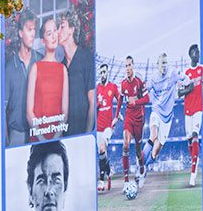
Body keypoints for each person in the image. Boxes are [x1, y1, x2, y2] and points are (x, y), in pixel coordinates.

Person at [25, 17, 68, 140]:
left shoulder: (63, 69)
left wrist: (55, 137)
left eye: (55, 30)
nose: (53, 36)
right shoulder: (35, 68)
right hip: (38, 139)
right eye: (49, 33)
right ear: (43, 40)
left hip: (57, 138)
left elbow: (65, 112)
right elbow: (29, 112)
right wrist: (41, 138)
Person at [3, 15, 36, 147]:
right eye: (29, 29)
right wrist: (7, 141)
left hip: (38, 132)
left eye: (34, 29)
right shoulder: (10, 67)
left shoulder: (40, 60)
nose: (33, 34)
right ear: (21, 33)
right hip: (17, 134)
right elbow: (3, 108)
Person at [63, 18, 96, 138]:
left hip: (83, 133)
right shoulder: (61, 66)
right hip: (66, 135)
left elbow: (93, 101)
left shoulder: (86, 57)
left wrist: (87, 134)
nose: (58, 31)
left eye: (62, 27)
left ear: (72, 29)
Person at [117, 56, 147, 180]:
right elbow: (120, 99)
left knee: (138, 150)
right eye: (126, 66)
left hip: (139, 118)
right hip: (129, 116)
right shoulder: (123, 83)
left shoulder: (139, 80)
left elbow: (147, 98)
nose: (128, 68)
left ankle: (142, 166)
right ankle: (126, 180)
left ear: (133, 65)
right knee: (125, 144)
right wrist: (116, 115)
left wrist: (136, 102)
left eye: (129, 65)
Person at [179, 43, 203, 186]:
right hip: (187, 111)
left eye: (199, 53)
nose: (198, 55)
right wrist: (187, 90)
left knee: (195, 134)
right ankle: (194, 159)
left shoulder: (202, 69)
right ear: (190, 55)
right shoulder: (185, 73)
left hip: (198, 109)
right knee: (189, 139)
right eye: (196, 53)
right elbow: (180, 92)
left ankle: (193, 174)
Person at [93, 63, 119, 191]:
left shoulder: (113, 87)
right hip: (98, 127)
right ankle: (108, 173)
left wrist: (117, 116)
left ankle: (101, 181)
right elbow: (93, 108)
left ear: (108, 72)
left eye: (104, 72)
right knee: (102, 153)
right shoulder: (97, 89)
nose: (102, 75)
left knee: (102, 148)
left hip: (108, 127)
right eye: (101, 73)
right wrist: (96, 104)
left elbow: (120, 100)